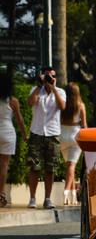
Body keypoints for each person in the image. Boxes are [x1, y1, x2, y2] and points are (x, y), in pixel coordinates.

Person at [26, 67, 66, 209]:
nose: (50, 78)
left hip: (52, 134)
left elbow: (62, 107)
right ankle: (32, 198)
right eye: (47, 76)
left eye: (53, 76)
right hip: (37, 133)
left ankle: (48, 198)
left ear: (56, 77)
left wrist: (53, 89)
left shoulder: (60, 92)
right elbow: (31, 102)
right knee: (34, 167)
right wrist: (39, 86)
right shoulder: (36, 90)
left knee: (51, 168)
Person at [0, 75, 28, 207]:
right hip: (8, 133)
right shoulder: (13, 101)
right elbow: (20, 120)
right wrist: (24, 135)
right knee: (4, 165)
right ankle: (1, 193)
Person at [59, 82, 87, 205]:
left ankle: (72, 197)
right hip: (75, 137)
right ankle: (66, 191)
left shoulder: (62, 106)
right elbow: (84, 125)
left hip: (62, 136)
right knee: (72, 166)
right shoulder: (81, 105)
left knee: (69, 166)